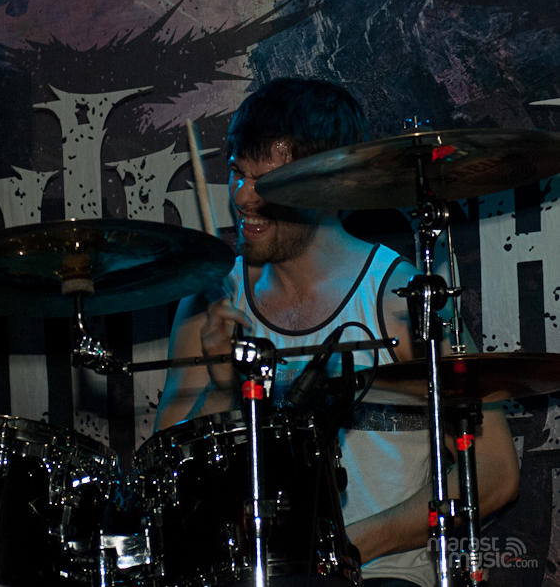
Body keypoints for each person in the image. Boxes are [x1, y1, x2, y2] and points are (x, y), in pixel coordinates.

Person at [154, 78, 519, 586]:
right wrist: (220, 390)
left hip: (381, 572)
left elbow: (495, 472)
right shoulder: (211, 299)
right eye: (238, 174)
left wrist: (342, 546)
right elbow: (162, 478)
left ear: (329, 186)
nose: (243, 197)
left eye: (268, 181)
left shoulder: (400, 299)